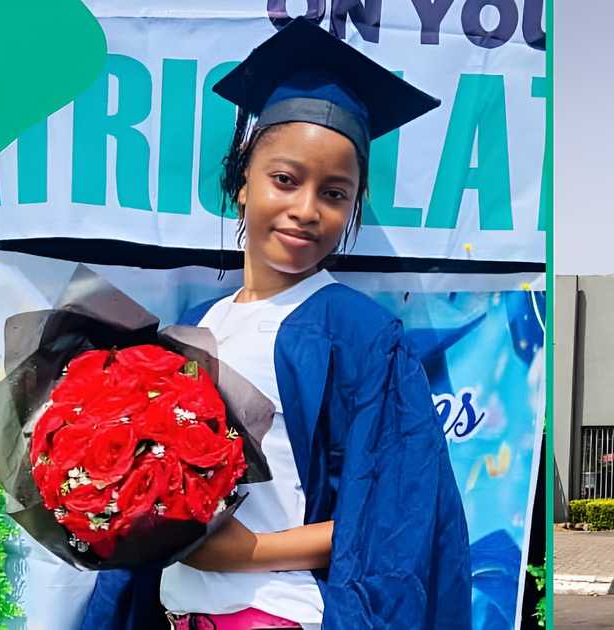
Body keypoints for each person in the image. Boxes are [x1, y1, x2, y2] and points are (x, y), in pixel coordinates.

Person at [79, 17, 471, 629]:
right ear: (242, 182)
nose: (306, 209)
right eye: (285, 180)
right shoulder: (192, 327)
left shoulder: (357, 333)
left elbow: (395, 518)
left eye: (335, 193)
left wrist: (246, 551)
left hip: (277, 614)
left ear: (354, 207)